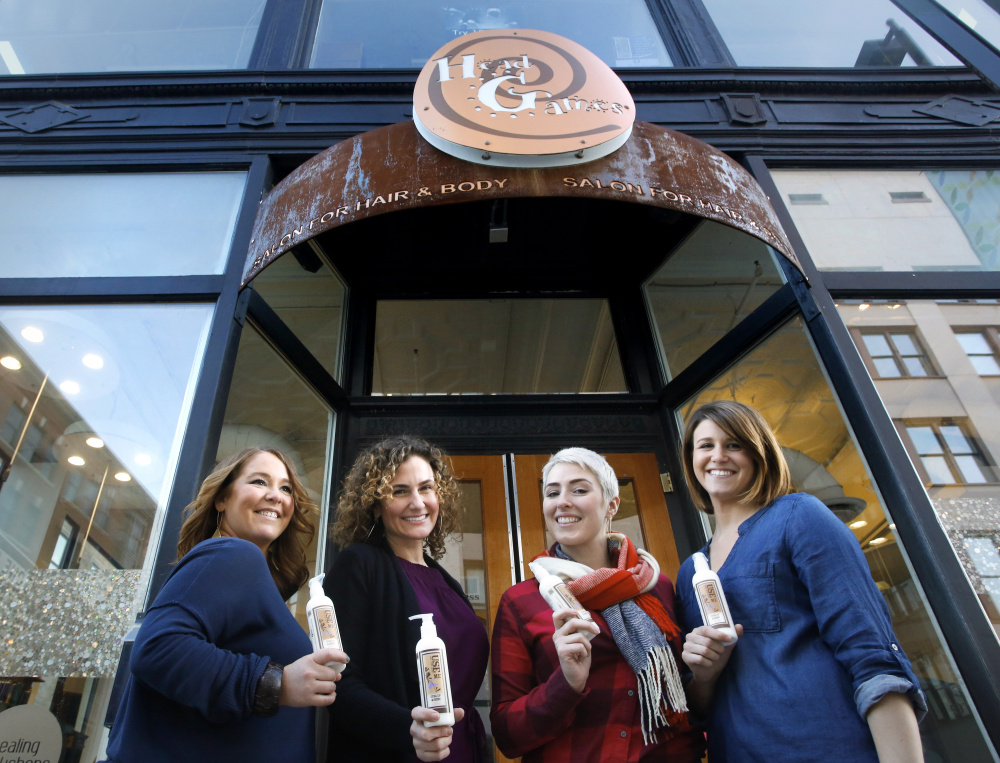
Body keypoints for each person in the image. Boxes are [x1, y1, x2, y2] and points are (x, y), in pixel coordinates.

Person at [676, 400, 926, 763]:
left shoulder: (800, 517)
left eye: (734, 444)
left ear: (760, 454)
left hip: (827, 749)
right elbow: (699, 705)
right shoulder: (690, 572)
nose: (719, 456)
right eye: (706, 445)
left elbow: (870, 654)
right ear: (691, 459)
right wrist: (704, 675)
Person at [105, 447, 347, 763]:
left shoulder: (251, 577)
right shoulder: (232, 554)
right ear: (222, 499)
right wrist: (277, 683)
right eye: (260, 482)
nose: (276, 496)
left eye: (285, 488)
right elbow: (158, 648)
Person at [490, 447, 704, 763]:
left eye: (579, 489)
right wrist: (567, 683)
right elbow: (508, 735)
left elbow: (683, 693)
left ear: (611, 505)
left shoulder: (657, 588)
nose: (562, 501)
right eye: (552, 492)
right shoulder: (522, 601)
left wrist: (708, 670)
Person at [325, 435, 489, 762]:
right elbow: (339, 682)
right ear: (374, 503)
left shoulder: (446, 582)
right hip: (400, 750)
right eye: (400, 491)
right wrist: (409, 727)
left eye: (426, 488)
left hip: (461, 749)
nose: (418, 502)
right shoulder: (358, 565)